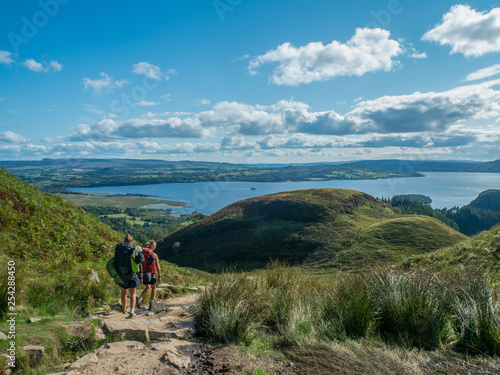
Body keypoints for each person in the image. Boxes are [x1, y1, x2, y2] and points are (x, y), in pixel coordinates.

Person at [114, 234, 143, 318]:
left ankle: (124, 310)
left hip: (122, 274)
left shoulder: (119, 250)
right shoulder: (133, 250)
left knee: (124, 293)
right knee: (133, 293)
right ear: (131, 241)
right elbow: (140, 262)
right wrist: (141, 275)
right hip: (132, 275)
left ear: (124, 241)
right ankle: (132, 311)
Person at [136, 240, 162, 311]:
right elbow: (158, 267)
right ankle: (151, 304)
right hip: (152, 274)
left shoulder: (142, 253)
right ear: (153, 247)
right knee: (153, 288)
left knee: (147, 288)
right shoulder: (154, 255)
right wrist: (159, 276)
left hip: (144, 274)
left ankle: (140, 298)